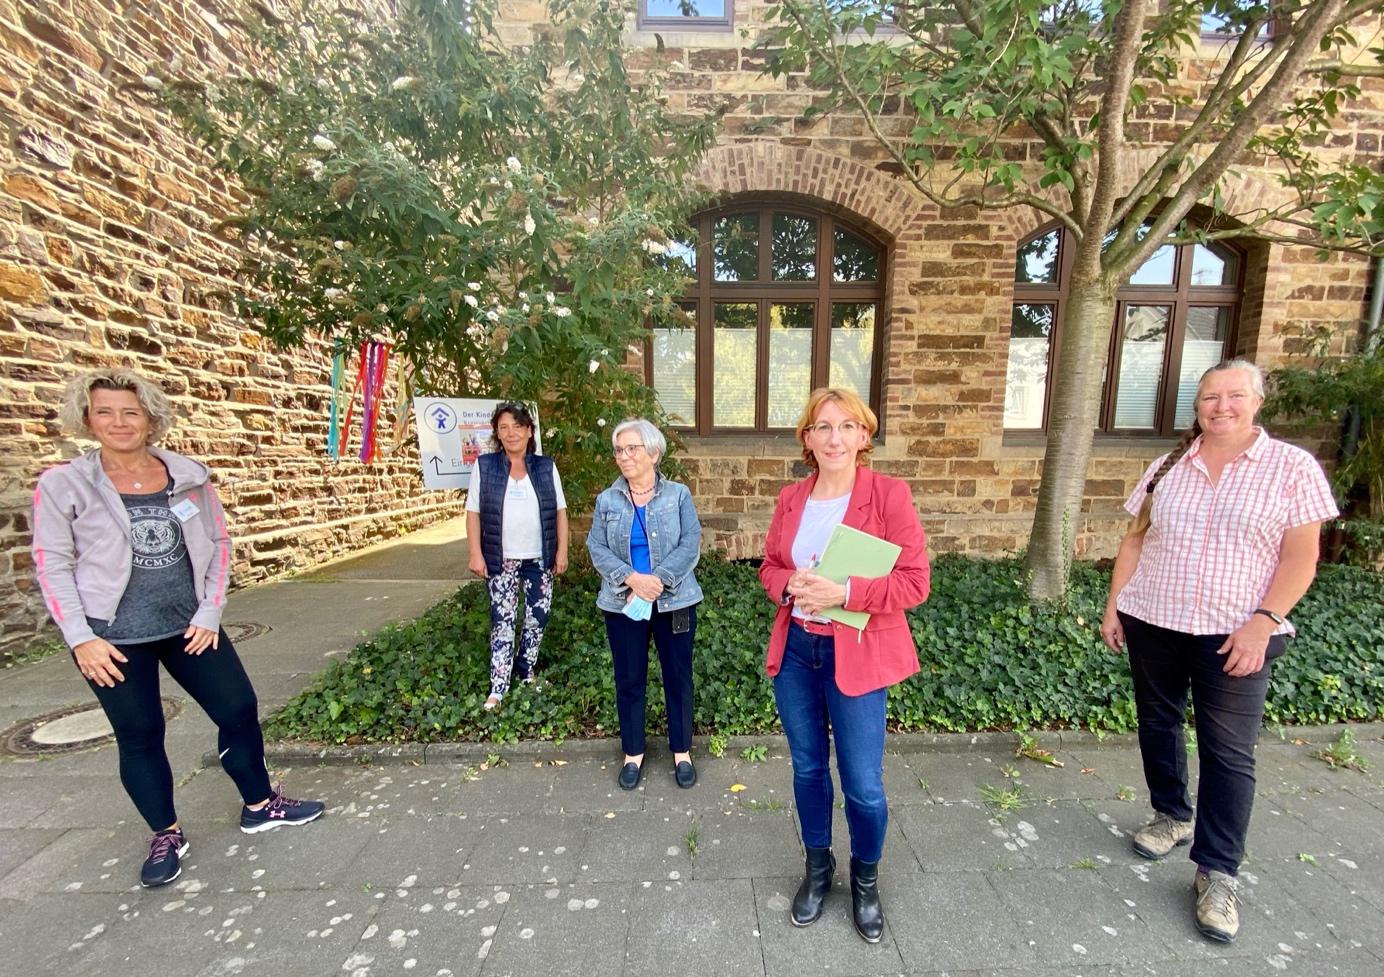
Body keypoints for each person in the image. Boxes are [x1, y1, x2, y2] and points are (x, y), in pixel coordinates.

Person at [31, 370, 325, 889]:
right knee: (141, 734)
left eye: (131, 412)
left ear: (150, 419)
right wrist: (80, 637)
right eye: (106, 412)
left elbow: (218, 545)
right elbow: (51, 562)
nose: (119, 422)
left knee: (237, 707)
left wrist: (209, 611)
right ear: (87, 418)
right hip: (111, 638)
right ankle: (165, 832)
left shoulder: (188, 477)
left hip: (189, 626)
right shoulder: (64, 485)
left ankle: (260, 803)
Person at [1100, 358, 1338, 944]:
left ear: (1257, 402)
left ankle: (1217, 872)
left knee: (1229, 751)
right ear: (1197, 405)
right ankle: (1172, 814)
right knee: (1157, 723)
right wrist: (1115, 605)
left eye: (1234, 396)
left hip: (1237, 633)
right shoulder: (1169, 466)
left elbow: (1300, 558)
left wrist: (1265, 621)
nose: (1220, 406)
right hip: (1154, 618)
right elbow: (1134, 542)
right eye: (1210, 397)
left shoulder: (1291, 469)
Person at [759, 387, 931, 944]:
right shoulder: (791, 499)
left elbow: (915, 582)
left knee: (862, 782)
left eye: (847, 426)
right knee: (808, 769)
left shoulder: (888, 495)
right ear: (807, 439)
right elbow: (769, 567)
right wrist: (788, 584)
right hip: (798, 655)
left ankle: (865, 880)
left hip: (857, 654)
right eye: (822, 427)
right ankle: (816, 870)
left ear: (864, 436)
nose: (835, 438)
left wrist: (844, 590)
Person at [585, 418, 703, 791]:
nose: (623, 456)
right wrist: (632, 579)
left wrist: (658, 581)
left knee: (678, 676)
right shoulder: (607, 500)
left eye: (631, 448)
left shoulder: (678, 495)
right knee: (629, 678)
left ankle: (681, 751)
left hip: (675, 601)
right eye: (619, 450)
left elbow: (691, 543)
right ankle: (633, 753)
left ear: (653, 451)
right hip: (623, 602)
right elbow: (596, 547)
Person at [465, 401, 569, 710]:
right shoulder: (485, 466)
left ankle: (525, 671)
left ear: (529, 431)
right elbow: (473, 513)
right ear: (497, 433)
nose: (511, 433)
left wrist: (562, 550)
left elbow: (561, 512)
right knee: (503, 620)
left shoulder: (545, 466)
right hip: (501, 559)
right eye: (504, 428)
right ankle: (498, 686)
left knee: (538, 618)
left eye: (517, 427)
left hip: (539, 558)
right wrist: (475, 553)